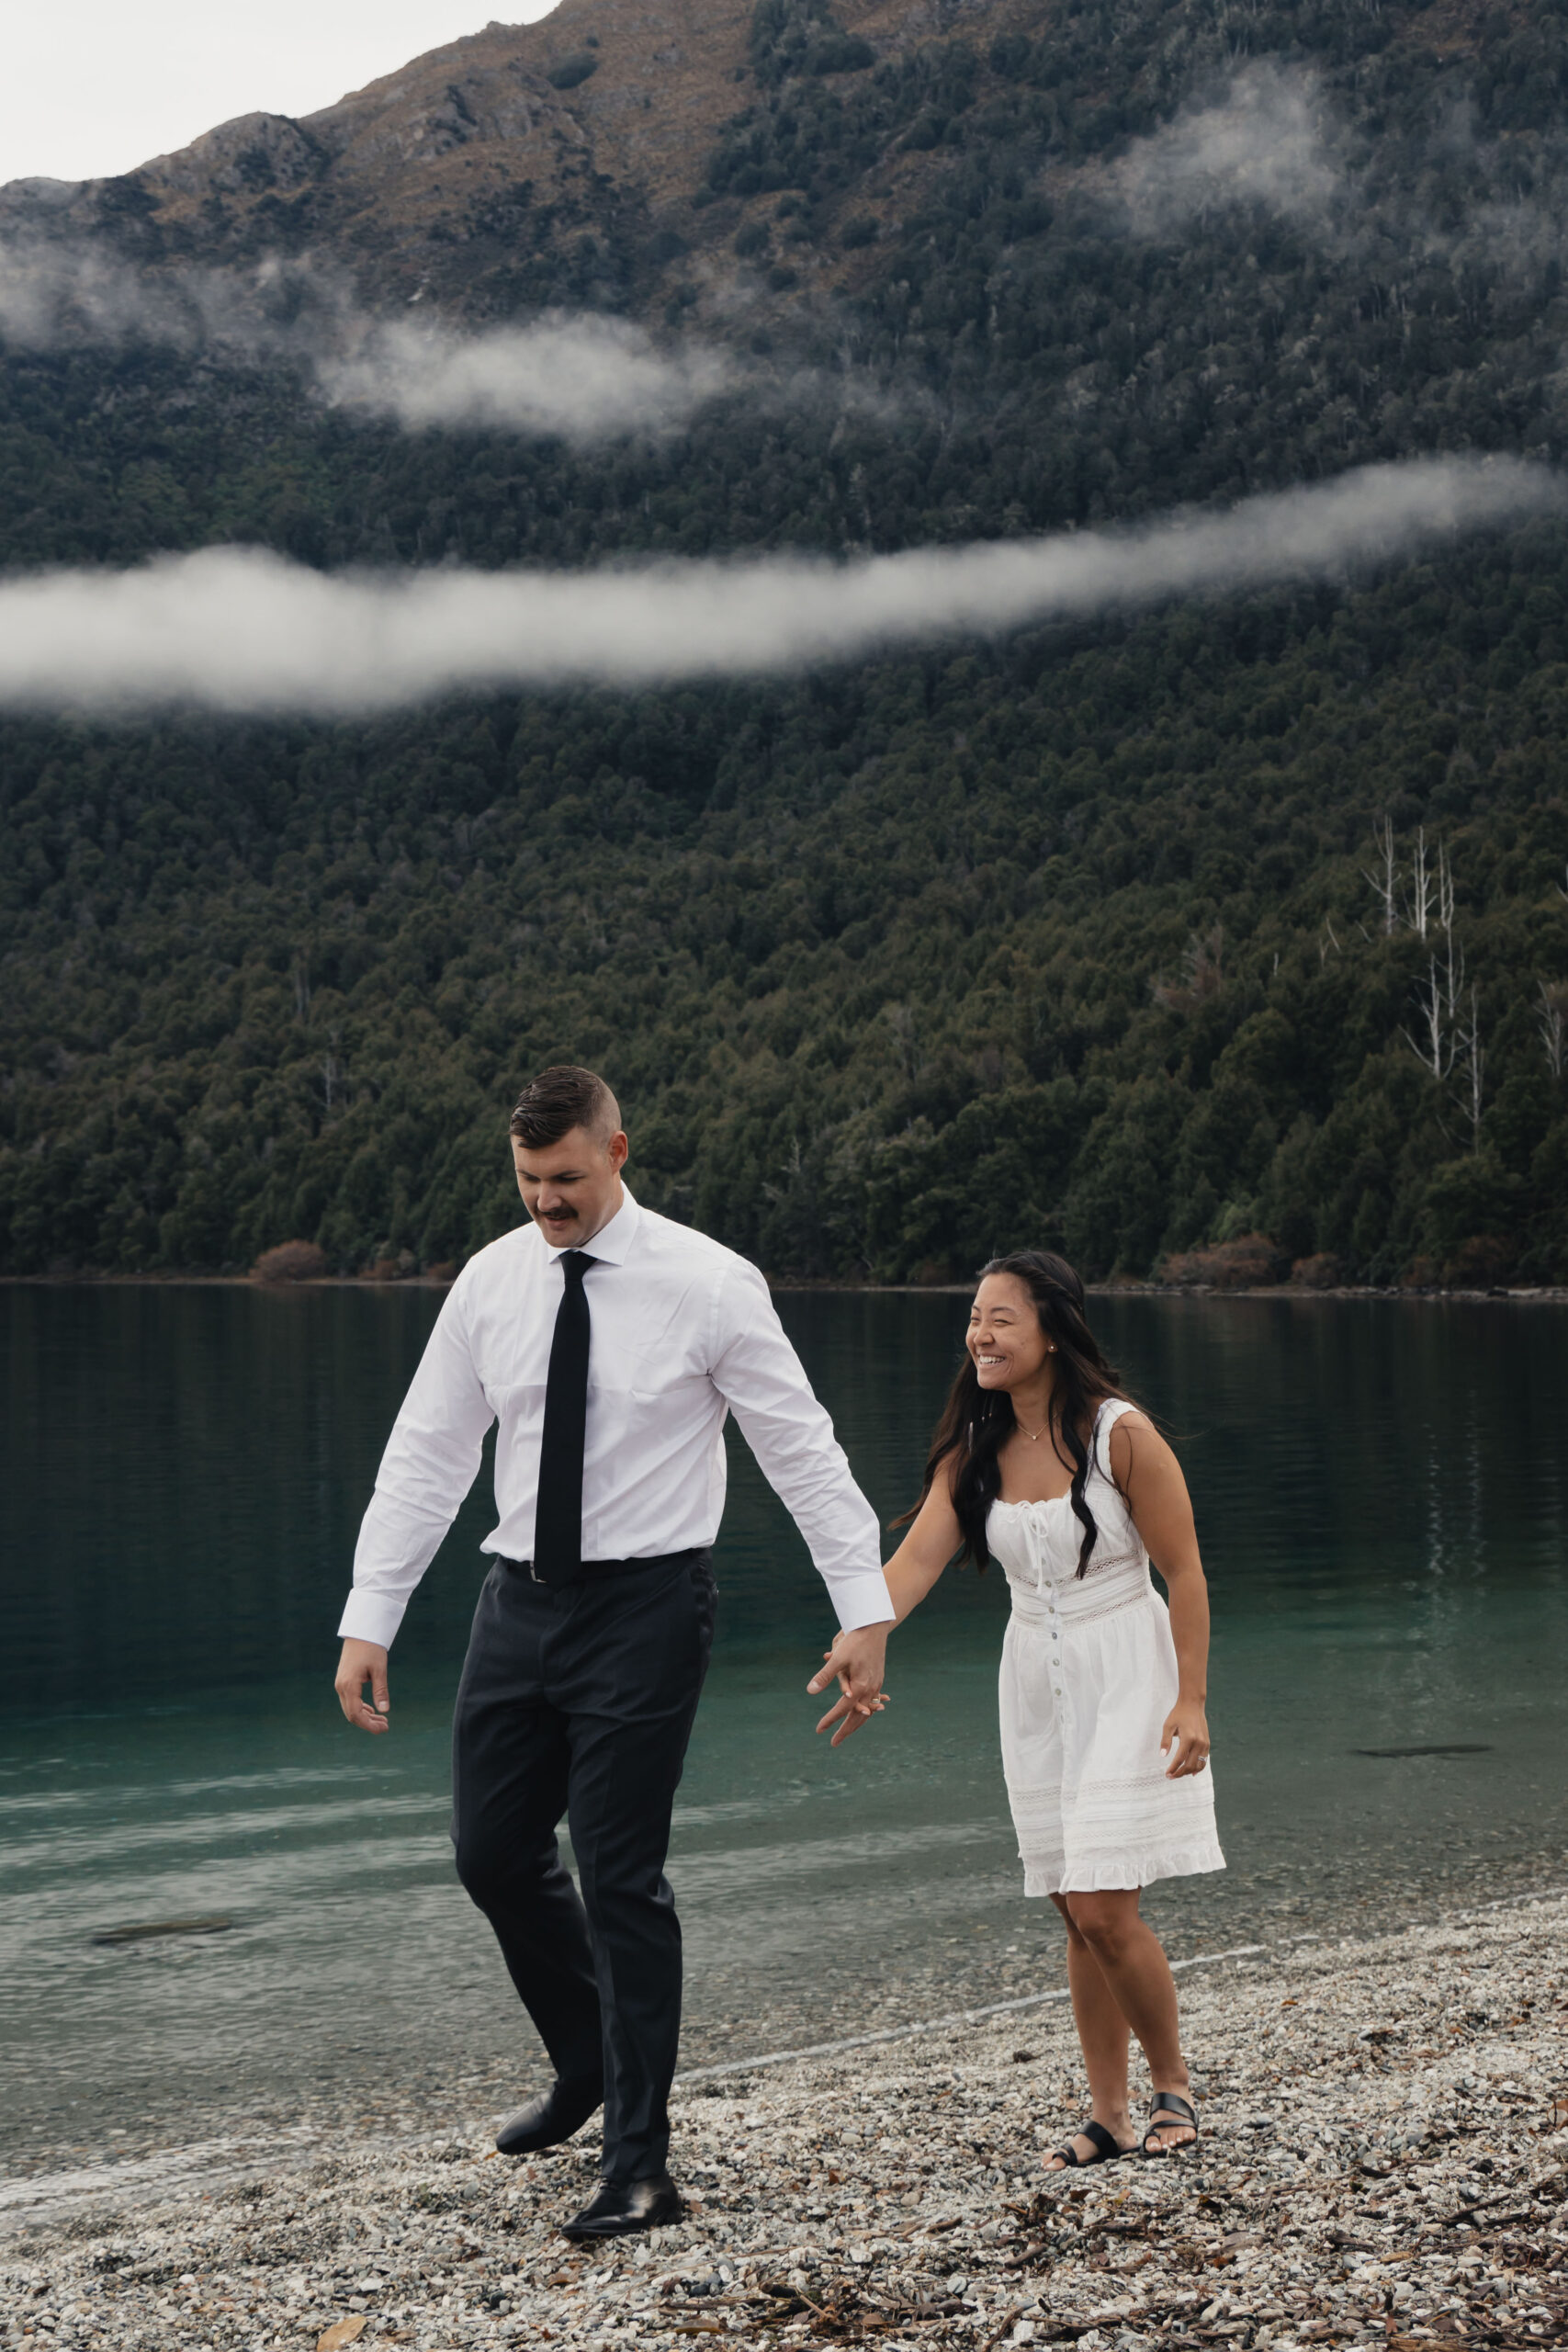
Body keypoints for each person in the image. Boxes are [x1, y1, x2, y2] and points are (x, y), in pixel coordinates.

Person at [333, 1066, 894, 2237]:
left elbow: (802, 1449)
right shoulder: (491, 1281)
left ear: (618, 1151)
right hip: (515, 1604)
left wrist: (864, 1610)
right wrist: (369, 1613)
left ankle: (640, 2165)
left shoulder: (708, 1282)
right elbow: (427, 1451)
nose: (548, 1201)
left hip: (647, 1608)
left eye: (567, 1178)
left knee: (619, 1874)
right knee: (491, 1852)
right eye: (529, 1180)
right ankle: (587, 2057)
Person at [809, 1250, 1223, 2167]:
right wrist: (862, 1638)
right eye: (974, 1318)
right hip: (1033, 1678)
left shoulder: (1120, 1435)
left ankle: (1174, 2087)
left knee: (1105, 1908)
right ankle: (1108, 2115)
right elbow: (914, 1563)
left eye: (1001, 1318)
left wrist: (1191, 1698)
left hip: (1127, 1668)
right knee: (1073, 1909)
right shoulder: (974, 1448)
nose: (980, 1335)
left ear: (1053, 1331)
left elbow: (1185, 1572)